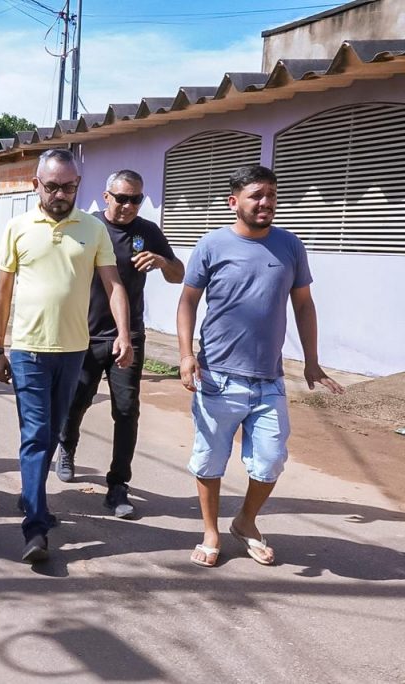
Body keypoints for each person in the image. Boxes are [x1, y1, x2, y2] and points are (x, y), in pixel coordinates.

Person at [177, 164, 344, 569]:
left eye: (271, 195)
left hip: (269, 379)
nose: (266, 202)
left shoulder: (290, 245)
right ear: (234, 202)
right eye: (256, 195)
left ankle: (245, 521)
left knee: (270, 462)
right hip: (217, 376)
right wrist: (185, 354)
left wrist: (312, 362)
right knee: (209, 460)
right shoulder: (212, 245)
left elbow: (303, 304)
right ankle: (211, 531)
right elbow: (188, 301)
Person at [0, 149, 133, 564]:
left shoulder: (93, 228)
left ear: (78, 186)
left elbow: (114, 285)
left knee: (52, 432)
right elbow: (3, 293)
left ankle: (31, 494)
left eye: (68, 187)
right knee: (36, 435)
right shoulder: (17, 228)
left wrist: (124, 334)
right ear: (36, 185)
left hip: (73, 352)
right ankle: (35, 527)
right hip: (29, 351)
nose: (59, 194)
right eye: (51, 186)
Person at [57, 170, 185, 517]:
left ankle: (117, 485)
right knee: (76, 402)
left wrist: (163, 261)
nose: (128, 205)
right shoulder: (86, 226)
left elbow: (179, 276)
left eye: (136, 199)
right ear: (106, 196)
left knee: (126, 410)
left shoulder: (148, 232)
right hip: (82, 335)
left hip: (129, 336)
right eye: (121, 198)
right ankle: (66, 445)